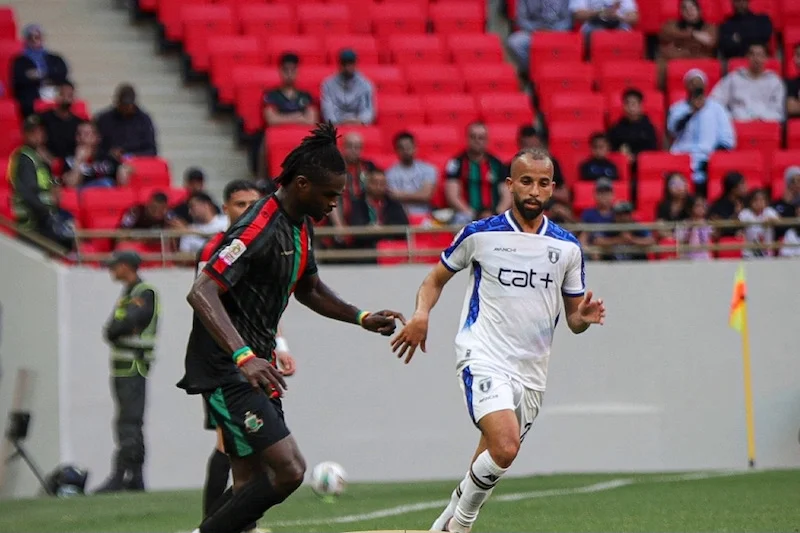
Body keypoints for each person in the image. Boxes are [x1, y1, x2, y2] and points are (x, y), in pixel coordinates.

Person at [178, 123, 405, 533]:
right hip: (228, 366)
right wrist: (243, 356)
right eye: (329, 194)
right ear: (302, 184)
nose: (334, 204)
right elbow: (202, 291)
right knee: (289, 470)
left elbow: (309, 288)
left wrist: (361, 316)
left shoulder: (301, 222)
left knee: (251, 483)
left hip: (256, 363)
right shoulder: (257, 228)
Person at [390, 147, 606, 533]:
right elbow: (435, 279)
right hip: (483, 354)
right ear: (510, 184)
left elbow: (574, 320)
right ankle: (461, 525)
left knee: (492, 457)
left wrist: (583, 318)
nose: (534, 191)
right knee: (505, 446)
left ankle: (443, 525)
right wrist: (421, 314)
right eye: (526, 181)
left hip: (532, 371)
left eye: (543, 183)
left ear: (552, 188)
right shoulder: (481, 234)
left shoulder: (567, 248)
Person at [194, 180, 294, 533]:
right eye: (239, 204)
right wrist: (235, 355)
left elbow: (262, 307)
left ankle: (233, 526)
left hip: (253, 361)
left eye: (253, 203)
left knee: (253, 462)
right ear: (225, 209)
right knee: (229, 446)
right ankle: (214, 525)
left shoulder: (260, 243)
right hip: (225, 366)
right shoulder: (217, 248)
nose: (248, 210)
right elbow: (207, 301)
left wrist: (280, 346)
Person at [96, 251, 160, 493]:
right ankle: (135, 479)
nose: (112, 270)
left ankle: (120, 476)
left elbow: (122, 325)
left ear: (127, 266)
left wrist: (117, 329)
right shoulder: (129, 293)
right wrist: (116, 329)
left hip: (134, 367)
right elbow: (112, 329)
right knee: (129, 423)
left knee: (129, 423)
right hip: (123, 369)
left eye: (115, 266)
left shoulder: (144, 292)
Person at [8, 115, 75, 251]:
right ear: (25, 134)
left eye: (40, 131)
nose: (38, 135)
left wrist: (55, 185)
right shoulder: (25, 158)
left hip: (42, 218)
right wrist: (48, 213)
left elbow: (47, 185)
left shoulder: (37, 158)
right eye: (33, 131)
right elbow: (28, 193)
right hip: (32, 223)